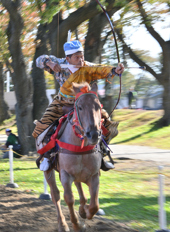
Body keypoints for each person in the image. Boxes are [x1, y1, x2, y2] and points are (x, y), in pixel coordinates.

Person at [32, 34, 124, 171]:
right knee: (43, 126)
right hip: (62, 102)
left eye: (82, 56)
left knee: (108, 124)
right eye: (77, 57)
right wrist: (49, 63)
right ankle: (47, 156)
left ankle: (102, 155)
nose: (81, 59)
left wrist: (114, 71)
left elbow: (102, 69)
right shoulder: (58, 63)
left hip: (84, 104)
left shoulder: (88, 67)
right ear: (67, 58)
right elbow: (38, 60)